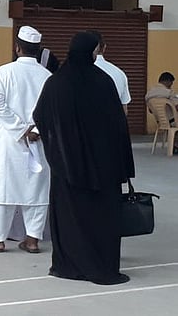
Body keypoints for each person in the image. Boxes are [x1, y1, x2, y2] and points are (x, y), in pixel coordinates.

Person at [34, 32, 135, 285]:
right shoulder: (104, 81)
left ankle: (68, 265)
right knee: (101, 218)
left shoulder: (57, 82)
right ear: (92, 51)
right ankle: (100, 266)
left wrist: (58, 149)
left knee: (70, 216)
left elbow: (41, 116)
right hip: (103, 167)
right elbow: (118, 124)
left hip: (67, 167)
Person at [0, 26, 52, 253]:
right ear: (38, 50)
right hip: (38, 141)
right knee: (37, 189)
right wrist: (35, 130)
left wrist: (20, 129)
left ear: (17, 48)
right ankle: (32, 240)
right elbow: (51, 109)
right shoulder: (48, 76)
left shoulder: (4, 72)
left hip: (9, 141)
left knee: (2, 187)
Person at [88, 30, 130, 115]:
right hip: (113, 126)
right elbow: (124, 110)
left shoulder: (74, 73)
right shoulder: (120, 73)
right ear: (104, 48)